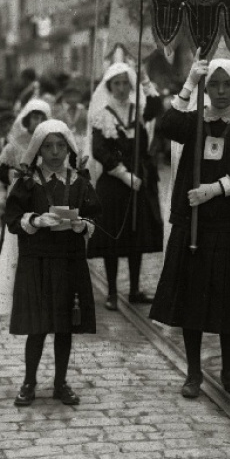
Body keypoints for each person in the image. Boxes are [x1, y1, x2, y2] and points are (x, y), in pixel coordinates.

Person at [149, 58, 230, 399]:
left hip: (229, 227)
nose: (219, 92)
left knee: (228, 304)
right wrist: (188, 83)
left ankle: (229, 371)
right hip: (194, 228)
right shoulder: (197, 122)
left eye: (225, 85)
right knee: (192, 303)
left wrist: (215, 189)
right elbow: (167, 125)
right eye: (212, 85)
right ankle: (193, 373)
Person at [0, 120, 98, 407]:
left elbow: (94, 215)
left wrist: (82, 225)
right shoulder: (28, 182)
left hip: (69, 262)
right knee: (37, 327)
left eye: (60, 146)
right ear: (38, 149)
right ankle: (29, 382)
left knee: (64, 327)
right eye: (48, 146)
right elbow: (13, 218)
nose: (55, 152)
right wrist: (35, 220)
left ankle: (60, 383)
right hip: (37, 262)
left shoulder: (79, 181)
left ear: (69, 148)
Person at [85, 63, 164, 310]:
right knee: (113, 236)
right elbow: (99, 149)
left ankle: (135, 289)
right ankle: (111, 291)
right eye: (116, 84)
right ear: (109, 86)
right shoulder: (103, 115)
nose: (121, 88)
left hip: (139, 180)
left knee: (135, 235)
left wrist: (145, 79)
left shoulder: (137, 111)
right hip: (114, 182)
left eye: (125, 83)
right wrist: (121, 173)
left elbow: (156, 107)